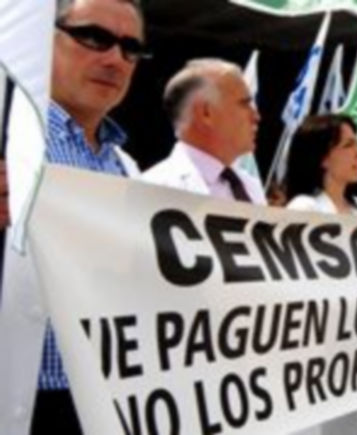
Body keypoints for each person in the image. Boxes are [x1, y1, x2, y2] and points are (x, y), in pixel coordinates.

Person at [0, 0, 147, 433]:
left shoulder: (127, 167)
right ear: (43, 37)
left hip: (105, 404)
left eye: (131, 47)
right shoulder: (9, 142)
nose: (115, 58)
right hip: (26, 401)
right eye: (94, 37)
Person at [283, 114, 357, 435]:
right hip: (318, 362)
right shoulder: (303, 210)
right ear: (323, 157)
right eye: (348, 145)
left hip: (355, 361)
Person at [143, 58, 265, 204]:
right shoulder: (155, 188)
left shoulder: (251, 187)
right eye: (244, 104)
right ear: (206, 113)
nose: (256, 116)